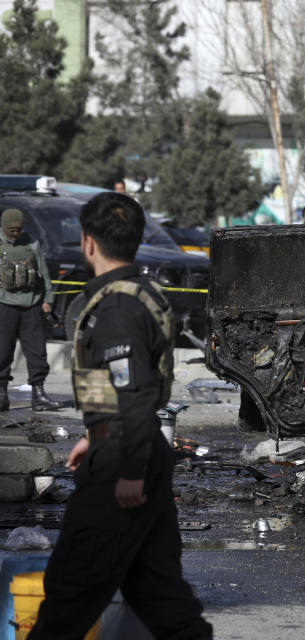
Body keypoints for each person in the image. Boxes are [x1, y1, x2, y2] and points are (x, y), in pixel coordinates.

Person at [29, 193, 212, 639]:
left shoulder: (116, 309)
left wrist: (127, 466)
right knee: (158, 593)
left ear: (88, 243)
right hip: (133, 446)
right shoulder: (138, 293)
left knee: (69, 593)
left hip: (125, 464)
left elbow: (135, 391)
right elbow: (126, 388)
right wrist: (96, 432)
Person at [0, 209, 61, 412]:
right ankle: (1, 393)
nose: (15, 234)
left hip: (31, 304)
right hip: (5, 305)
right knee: (2, 351)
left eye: (18, 229)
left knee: (37, 352)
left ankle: (39, 393)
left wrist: (48, 299)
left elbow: (44, 273)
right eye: (11, 230)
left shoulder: (31, 244)